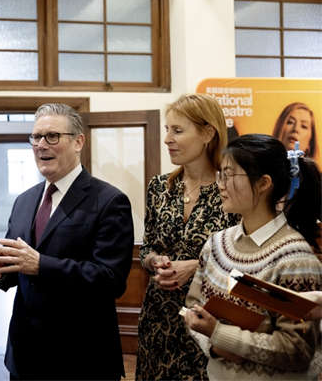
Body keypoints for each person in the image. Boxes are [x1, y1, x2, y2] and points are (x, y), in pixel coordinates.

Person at [0, 103, 134, 380]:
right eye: (36, 137)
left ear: (78, 142)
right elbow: (14, 274)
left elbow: (110, 279)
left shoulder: (109, 201)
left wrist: (41, 265)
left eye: (52, 136)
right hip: (25, 356)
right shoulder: (24, 201)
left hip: (82, 358)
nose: (41, 145)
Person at [184, 134, 322, 380]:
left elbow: (297, 350)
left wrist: (221, 334)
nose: (220, 185)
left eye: (229, 175)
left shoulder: (296, 259)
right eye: (220, 175)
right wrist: (214, 346)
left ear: (263, 183)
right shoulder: (216, 244)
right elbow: (192, 308)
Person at [136, 93, 239, 380]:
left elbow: (246, 261)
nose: (167, 139)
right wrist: (155, 261)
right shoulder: (159, 187)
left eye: (177, 130)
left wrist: (195, 267)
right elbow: (146, 248)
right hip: (158, 321)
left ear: (208, 133)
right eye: (167, 129)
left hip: (209, 323)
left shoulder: (232, 188)